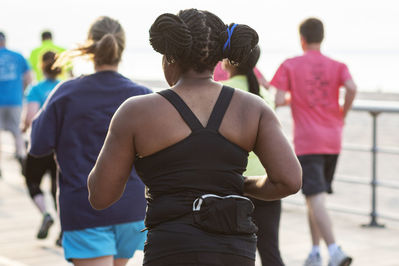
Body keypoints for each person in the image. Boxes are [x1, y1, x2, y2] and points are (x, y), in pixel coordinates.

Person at [88, 9, 302, 266]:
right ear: (217, 58)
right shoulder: (253, 108)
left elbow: (101, 197)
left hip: (170, 251)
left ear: (169, 57)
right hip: (233, 252)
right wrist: (241, 184)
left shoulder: (135, 112)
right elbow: (289, 181)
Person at [29, 17, 151, 266]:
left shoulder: (65, 93)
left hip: (84, 209)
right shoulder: (143, 96)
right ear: (121, 49)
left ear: (90, 47)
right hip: (132, 209)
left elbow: (38, 144)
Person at [270, 18, 357, 266]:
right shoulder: (337, 65)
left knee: (315, 195)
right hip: (333, 138)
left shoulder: (290, 64)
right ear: (322, 37)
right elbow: (351, 87)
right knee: (314, 195)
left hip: (308, 140)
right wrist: (343, 114)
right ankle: (315, 252)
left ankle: (334, 249)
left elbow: (276, 96)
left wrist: (290, 100)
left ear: (302, 39)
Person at [222, 45, 284, 266]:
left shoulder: (219, 91)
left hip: (233, 183)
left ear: (226, 61)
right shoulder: (266, 95)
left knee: (232, 253)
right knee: (270, 252)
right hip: (266, 181)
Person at [22, 51, 61, 242]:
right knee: (59, 189)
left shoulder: (35, 89)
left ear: (41, 67)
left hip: (40, 145)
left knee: (32, 181)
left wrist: (23, 127)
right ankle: (64, 229)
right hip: (61, 146)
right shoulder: (64, 88)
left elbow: (31, 118)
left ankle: (46, 214)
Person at [0, 31, 32, 178]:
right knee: (16, 132)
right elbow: (28, 77)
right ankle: (21, 158)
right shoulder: (17, 56)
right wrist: (22, 92)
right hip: (14, 100)